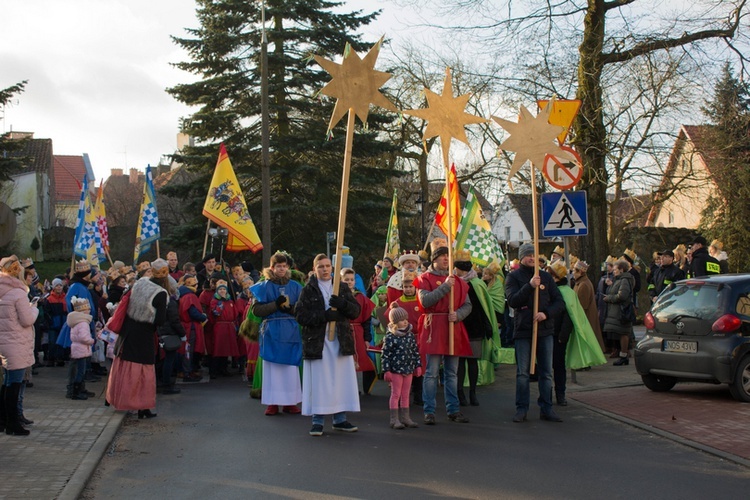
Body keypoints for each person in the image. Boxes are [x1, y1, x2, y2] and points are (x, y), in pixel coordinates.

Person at [295, 254, 361, 437]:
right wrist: (324, 316)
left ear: (332, 268)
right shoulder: (308, 290)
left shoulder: (341, 287)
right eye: (321, 267)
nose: (325, 269)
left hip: (340, 340)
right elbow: (300, 315)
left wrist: (343, 304)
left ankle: (340, 418)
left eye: (327, 266)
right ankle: (318, 420)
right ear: (314, 269)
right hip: (318, 342)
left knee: (340, 380)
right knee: (320, 381)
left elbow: (356, 311)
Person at [415, 238, 472, 425]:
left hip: (452, 328)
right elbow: (425, 301)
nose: (446, 259)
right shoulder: (424, 279)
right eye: (442, 256)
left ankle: (453, 409)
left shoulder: (459, 281)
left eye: (448, 256)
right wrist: (445, 286)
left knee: (452, 373)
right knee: (431, 372)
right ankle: (429, 411)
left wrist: (459, 314)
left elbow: (467, 305)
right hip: (434, 327)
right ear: (434, 260)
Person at [505, 243, 565, 423]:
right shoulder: (513, 277)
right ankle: (521, 408)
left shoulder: (546, 277)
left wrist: (545, 314)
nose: (532, 258)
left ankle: (546, 407)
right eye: (528, 255)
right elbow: (513, 300)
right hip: (524, 330)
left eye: (534, 255)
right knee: (523, 373)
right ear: (522, 257)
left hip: (545, 331)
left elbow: (559, 303)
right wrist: (530, 286)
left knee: (546, 372)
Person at [106, 260, 169, 419]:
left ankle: (118, 399)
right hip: (144, 335)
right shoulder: (160, 293)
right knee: (143, 371)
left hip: (127, 331)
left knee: (124, 365)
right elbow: (160, 320)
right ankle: (142, 407)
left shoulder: (139, 283)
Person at [250, 252, 303, 416]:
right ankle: (272, 403)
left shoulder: (295, 286)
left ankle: (290, 402)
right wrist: (275, 305)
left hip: (290, 331)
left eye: (284, 265)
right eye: (278, 266)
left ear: (288, 267)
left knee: (290, 368)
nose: (281, 268)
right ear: (272, 268)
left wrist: (291, 309)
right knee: (272, 368)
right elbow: (256, 310)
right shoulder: (263, 286)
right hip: (271, 331)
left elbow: (302, 309)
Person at [0, 255, 39, 436]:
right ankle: (12, 424)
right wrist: (34, 308)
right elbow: (26, 319)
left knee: (7, 382)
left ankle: (3, 420)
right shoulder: (17, 293)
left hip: (4, 342)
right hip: (15, 341)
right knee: (14, 385)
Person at [453, 250, 498, 406]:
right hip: (458, 326)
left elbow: (484, 306)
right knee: (459, 362)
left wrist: (487, 326)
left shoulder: (477, 283)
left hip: (475, 327)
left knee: (472, 362)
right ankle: (460, 393)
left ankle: (472, 392)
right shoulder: (452, 282)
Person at [382, 303, 421, 429]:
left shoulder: (410, 335)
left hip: (408, 369)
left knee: (406, 394)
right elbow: (385, 354)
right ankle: (394, 419)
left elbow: (415, 351)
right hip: (395, 370)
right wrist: (386, 370)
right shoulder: (390, 337)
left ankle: (405, 418)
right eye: (401, 320)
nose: (405, 322)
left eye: (405, 319)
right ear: (394, 323)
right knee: (396, 394)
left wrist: (417, 366)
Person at [341, 267, 376, 395]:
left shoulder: (360, 297)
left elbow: (366, 319)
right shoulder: (338, 296)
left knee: (360, 360)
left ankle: (358, 388)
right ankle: (346, 389)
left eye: (351, 279)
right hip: (343, 330)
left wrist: (367, 338)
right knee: (344, 361)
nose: (349, 282)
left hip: (358, 330)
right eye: (346, 280)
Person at [154, 259, 186, 395]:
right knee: (169, 360)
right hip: (169, 333)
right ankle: (167, 383)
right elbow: (174, 320)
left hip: (161, 332)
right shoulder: (170, 301)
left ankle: (161, 381)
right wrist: (182, 334)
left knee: (162, 360)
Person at [546, 262, 573, 406]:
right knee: (546, 367)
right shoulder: (548, 289)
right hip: (547, 333)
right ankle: (547, 394)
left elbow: (569, 315)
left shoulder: (565, 292)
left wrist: (563, 334)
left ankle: (560, 394)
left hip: (558, 335)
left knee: (558, 366)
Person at [603, 259, 636, 366]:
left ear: (621, 270)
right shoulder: (619, 280)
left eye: (616, 269)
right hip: (617, 312)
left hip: (622, 312)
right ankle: (623, 355)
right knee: (621, 333)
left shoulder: (625, 280)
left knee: (623, 333)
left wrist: (609, 298)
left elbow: (622, 296)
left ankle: (624, 355)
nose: (613, 271)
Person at [177, 275, 206, 382]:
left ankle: (186, 370)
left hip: (186, 325)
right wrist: (203, 317)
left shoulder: (181, 294)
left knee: (186, 350)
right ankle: (187, 372)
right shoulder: (190, 296)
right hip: (190, 327)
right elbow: (192, 312)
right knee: (188, 350)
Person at [572, 261, 605, 353]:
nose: (573, 273)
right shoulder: (581, 283)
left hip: (585, 318)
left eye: (575, 271)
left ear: (580, 272)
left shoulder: (583, 285)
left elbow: (582, 305)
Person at [209, 280, 240, 378]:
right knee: (218, 348)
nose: (222, 291)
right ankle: (214, 370)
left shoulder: (230, 301)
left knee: (226, 349)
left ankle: (224, 368)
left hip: (229, 327)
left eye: (224, 289)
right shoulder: (215, 301)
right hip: (220, 327)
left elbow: (235, 314)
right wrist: (219, 305)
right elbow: (215, 313)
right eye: (220, 289)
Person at [66, 297, 95, 401]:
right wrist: (91, 341)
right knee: (80, 372)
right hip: (81, 349)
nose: (90, 310)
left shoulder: (75, 321)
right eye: (88, 309)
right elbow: (84, 337)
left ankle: (77, 390)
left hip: (76, 348)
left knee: (78, 370)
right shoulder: (83, 323)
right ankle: (76, 392)